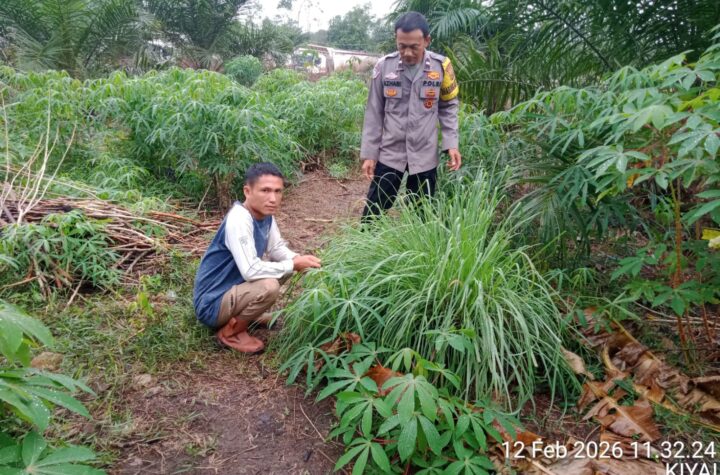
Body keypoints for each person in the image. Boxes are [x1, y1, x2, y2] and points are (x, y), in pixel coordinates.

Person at [193, 162, 321, 353]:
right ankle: (230, 332)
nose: (273, 198)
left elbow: (276, 248)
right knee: (269, 286)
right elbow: (250, 270)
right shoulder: (239, 219)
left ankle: (247, 314)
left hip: (234, 289)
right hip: (212, 304)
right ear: (247, 191)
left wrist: (300, 259)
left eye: (278, 191)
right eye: (265, 191)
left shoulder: (265, 215)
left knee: (285, 267)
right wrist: (293, 264)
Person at [360, 11, 462, 220]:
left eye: (414, 47)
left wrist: (451, 143)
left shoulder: (441, 67)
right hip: (391, 153)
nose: (407, 53)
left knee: (422, 215)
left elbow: (449, 106)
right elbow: (374, 112)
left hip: (425, 154)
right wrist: (370, 154)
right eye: (402, 46)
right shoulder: (384, 66)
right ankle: (366, 239)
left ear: (426, 40)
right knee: (372, 214)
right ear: (396, 40)